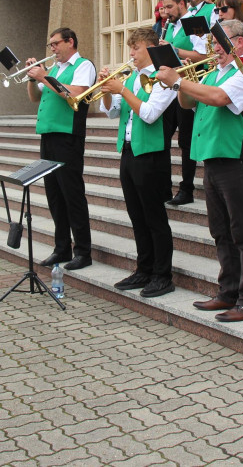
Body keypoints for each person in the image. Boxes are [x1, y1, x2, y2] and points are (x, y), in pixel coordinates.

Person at [155, 19, 243, 323]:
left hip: (236, 158)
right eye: (213, 43)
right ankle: (228, 291)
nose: (213, 48)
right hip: (212, 157)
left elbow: (220, 98)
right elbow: (186, 101)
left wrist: (179, 80)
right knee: (220, 231)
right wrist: (179, 79)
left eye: (219, 42)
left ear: (240, 43)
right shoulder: (212, 73)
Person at [99, 27, 178, 298]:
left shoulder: (164, 77)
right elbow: (112, 112)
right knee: (136, 215)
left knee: (154, 217)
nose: (131, 53)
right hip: (129, 151)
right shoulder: (132, 77)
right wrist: (109, 89)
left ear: (152, 50)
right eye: (130, 48)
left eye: (136, 48)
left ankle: (162, 275)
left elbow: (149, 114)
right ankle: (143, 268)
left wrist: (120, 87)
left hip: (152, 154)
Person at [27, 27, 96, 271]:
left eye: (56, 44)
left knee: (72, 194)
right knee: (54, 194)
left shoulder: (84, 66)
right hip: (48, 135)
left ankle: (83, 251)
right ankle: (62, 247)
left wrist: (44, 76)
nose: (53, 49)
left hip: (68, 136)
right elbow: (36, 98)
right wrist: (31, 78)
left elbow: (75, 94)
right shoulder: (54, 69)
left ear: (70, 42)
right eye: (51, 45)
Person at [158, 0, 208, 206]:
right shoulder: (169, 26)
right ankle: (164, 187)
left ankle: (187, 189)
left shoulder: (195, 22)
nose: (167, 12)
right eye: (164, 8)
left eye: (169, 6)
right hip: (168, 89)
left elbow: (205, 56)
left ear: (181, 4)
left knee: (186, 140)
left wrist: (175, 50)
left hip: (187, 86)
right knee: (162, 137)